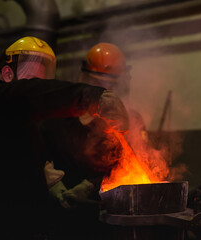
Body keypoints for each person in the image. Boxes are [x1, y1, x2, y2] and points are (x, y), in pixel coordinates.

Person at [0, 36, 128, 239]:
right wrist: (91, 97)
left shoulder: (20, 117)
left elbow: (21, 156)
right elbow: (27, 95)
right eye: (34, 83)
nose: (40, 92)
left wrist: (48, 181)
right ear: (7, 74)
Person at [40, 42, 147, 239]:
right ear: (84, 77)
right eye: (99, 83)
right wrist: (52, 183)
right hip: (61, 219)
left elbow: (134, 166)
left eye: (112, 85)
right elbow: (38, 151)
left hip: (105, 218)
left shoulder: (129, 120)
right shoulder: (59, 117)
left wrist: (90, 186)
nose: (105, 90)